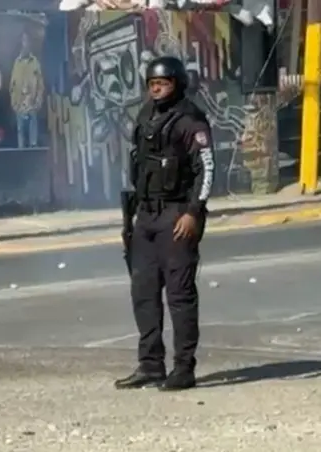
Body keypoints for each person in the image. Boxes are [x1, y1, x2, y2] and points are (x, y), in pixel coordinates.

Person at [114, 56, 215, 392]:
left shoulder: (190, 120)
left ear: (177, 84)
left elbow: (206, 168)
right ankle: (150, 365)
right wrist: (131, 220)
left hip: (176, 215)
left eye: (163, 83)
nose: (156, 89)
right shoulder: (146, 115)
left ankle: (183, 368)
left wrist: (193, 212)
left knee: (179, 295)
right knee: (143, 292)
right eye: (152, 84)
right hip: (146, 216)